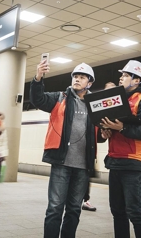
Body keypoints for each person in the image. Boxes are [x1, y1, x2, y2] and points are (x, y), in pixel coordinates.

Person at [31, 60, 98, 238]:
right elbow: (38, 99)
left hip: (83, 166)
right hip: (61, 162)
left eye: (82, 77)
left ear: (89, 83)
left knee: (74, 209)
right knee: (55, 208)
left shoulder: (95, 104)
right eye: (75, 76)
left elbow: (97, 135)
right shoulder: (59, 98)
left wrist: (104, 135)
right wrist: (38, 77)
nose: (77, 79)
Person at [100, 60, 141, 238]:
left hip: (134, 162)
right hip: (115, 161)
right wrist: (106, 129)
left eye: (126, 75)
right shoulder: (117, 102)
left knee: (135, 211)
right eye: (122, 75)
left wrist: (122, 128)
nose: (121, 78)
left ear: (137, 80)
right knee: (117, 211)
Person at [82, 81, 115, 213]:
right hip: (78, 149)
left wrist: (103, 134)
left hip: (89, 151)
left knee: (85, 177)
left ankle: (85, 200)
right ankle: (81, 200)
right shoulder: (95, 105)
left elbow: (99, 136)